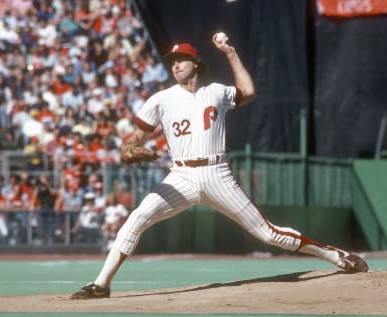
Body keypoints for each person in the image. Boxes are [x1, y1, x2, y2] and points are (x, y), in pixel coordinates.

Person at [69, 33, 368, 300]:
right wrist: (130, 147)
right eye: (173, 61)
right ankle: (101, 284)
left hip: (216, 173)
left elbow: (248, 92)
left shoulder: (216, 92)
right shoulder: (161, 99)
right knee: (137, 218)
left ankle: (333, 254)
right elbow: (136, 138)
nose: (176, 65)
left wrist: (230, 53)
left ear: (196, 63)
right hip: (181, 176)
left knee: (268, 234)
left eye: (182, 60)